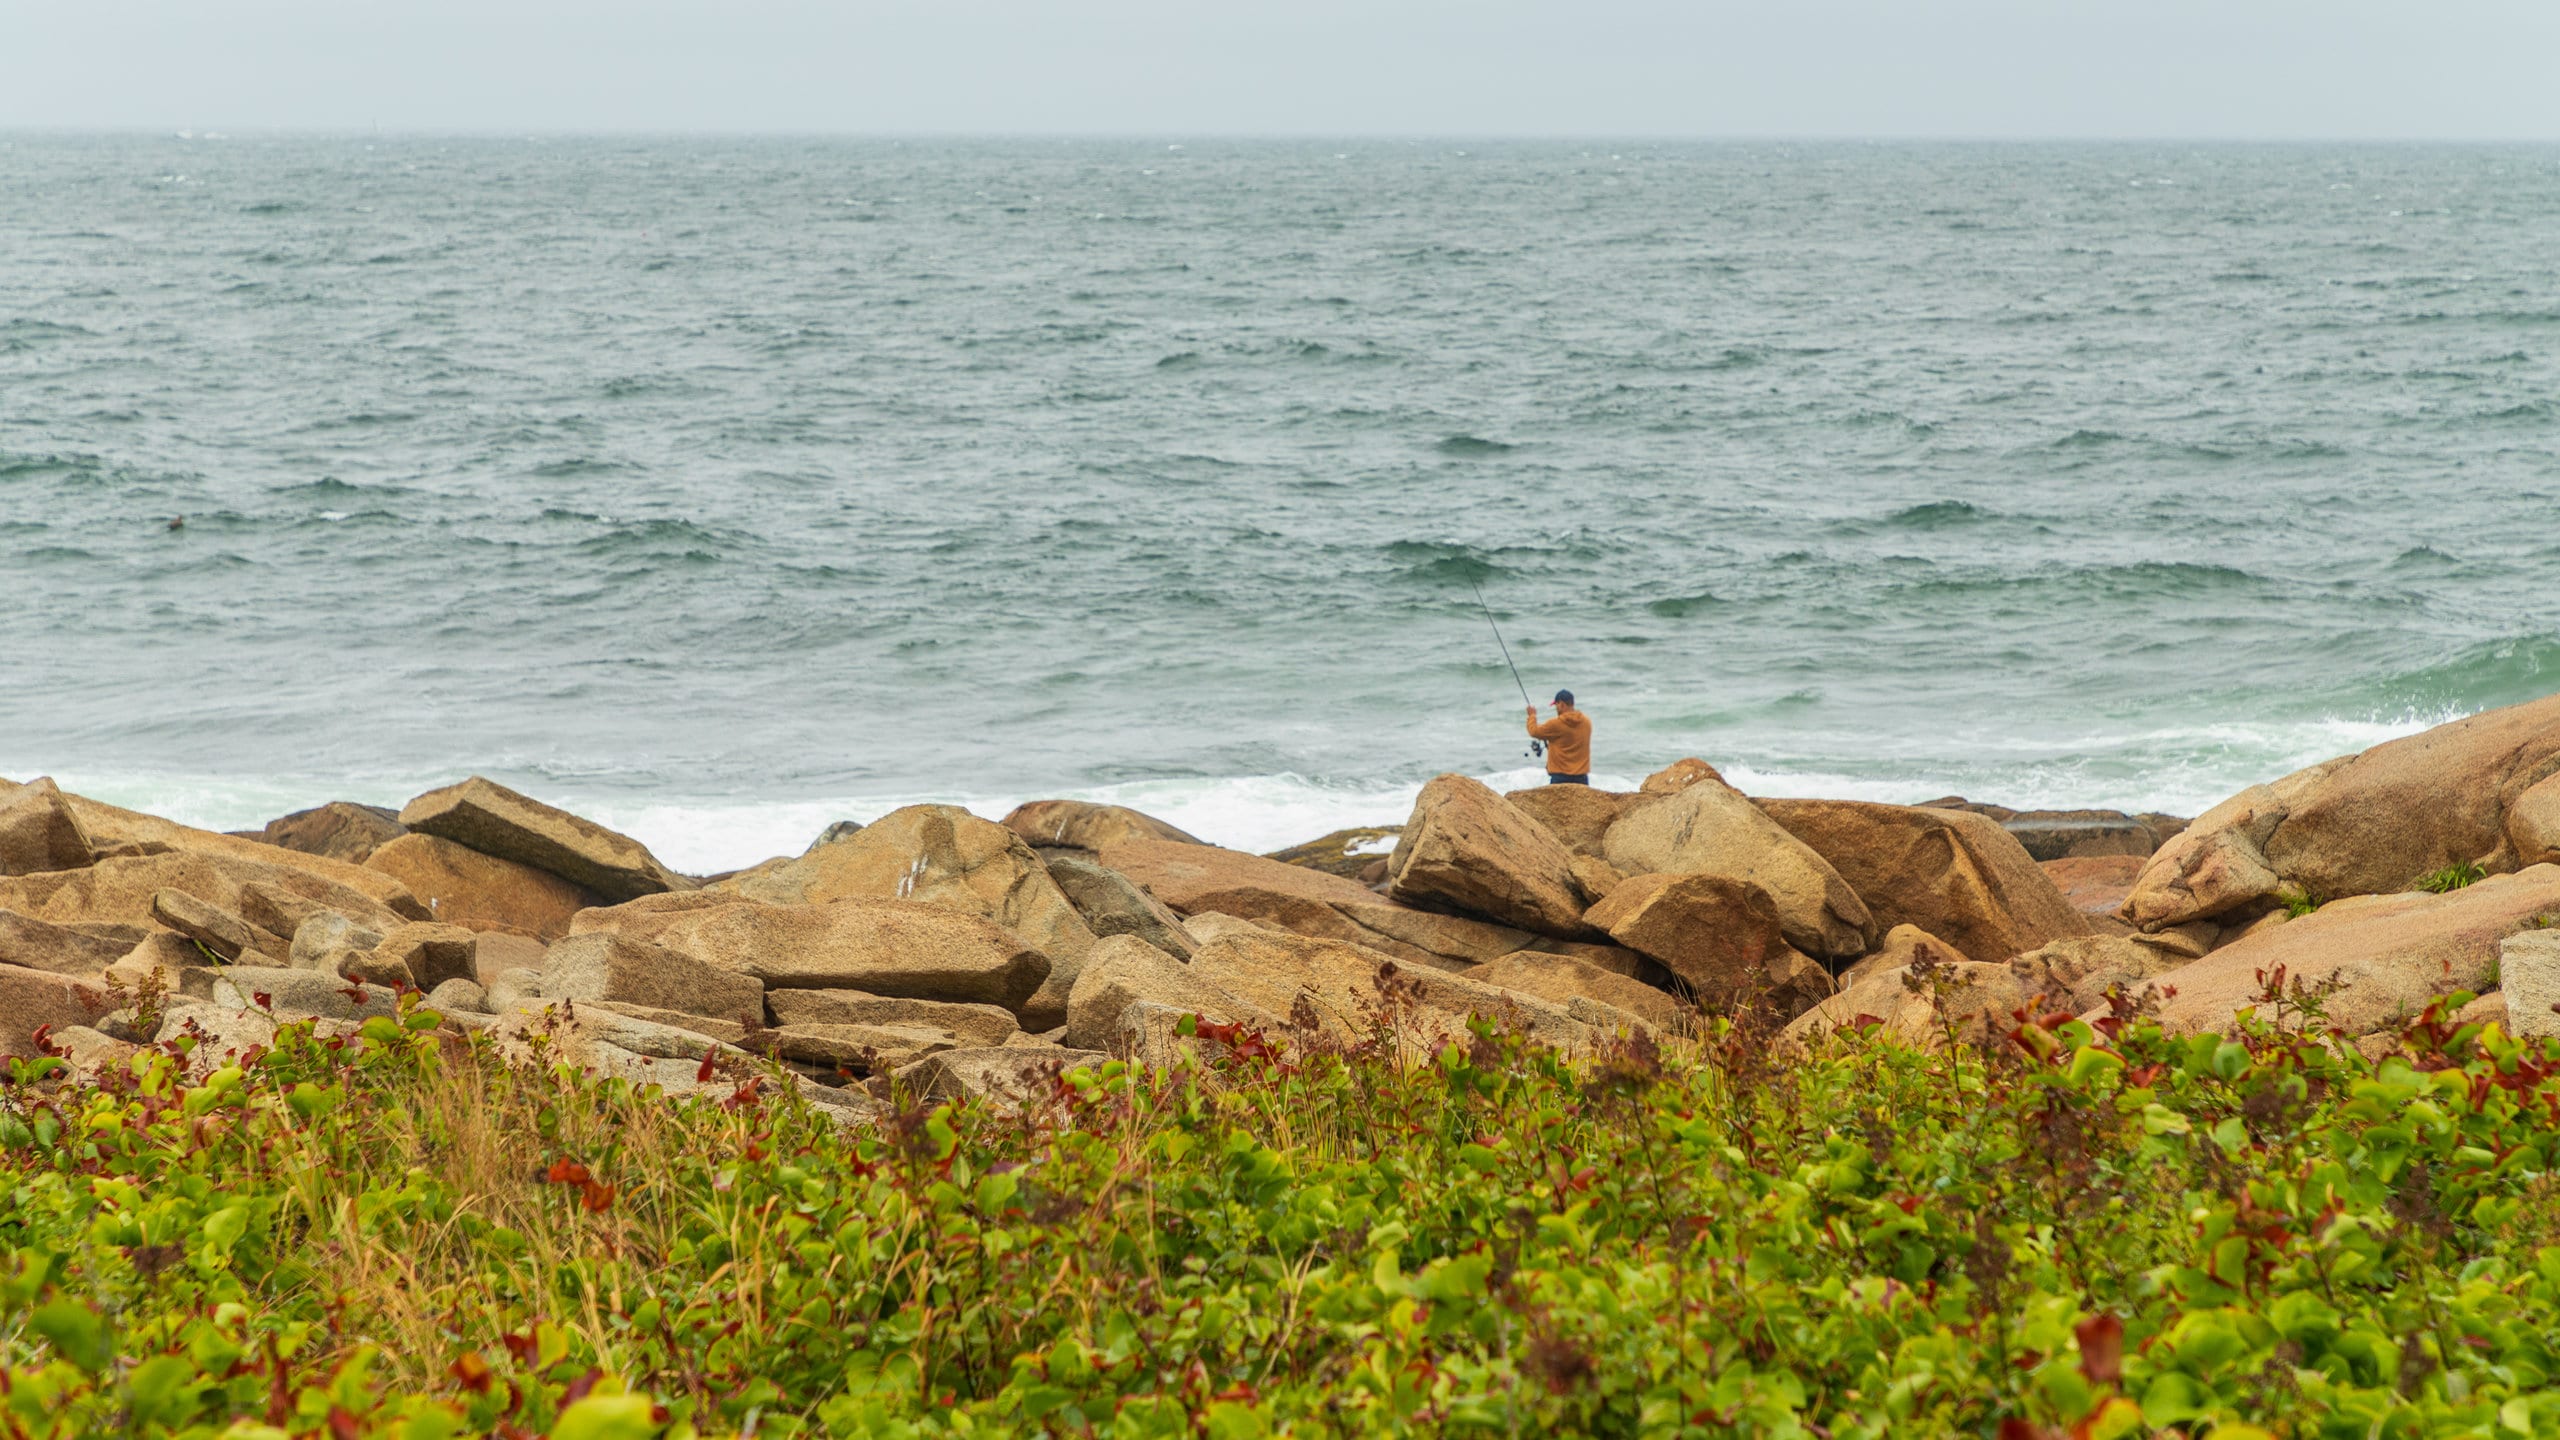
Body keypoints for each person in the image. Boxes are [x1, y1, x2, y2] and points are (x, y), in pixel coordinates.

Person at [1527, 690, 1591, 785]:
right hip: (1582, 778)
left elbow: (1534, 731)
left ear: (1561, 704)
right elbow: (1568, 740)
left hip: (1560, 777)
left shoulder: (1555, 724)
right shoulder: (1586, 722)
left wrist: (1532, 716)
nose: (1556, 708)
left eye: (1556, 705)